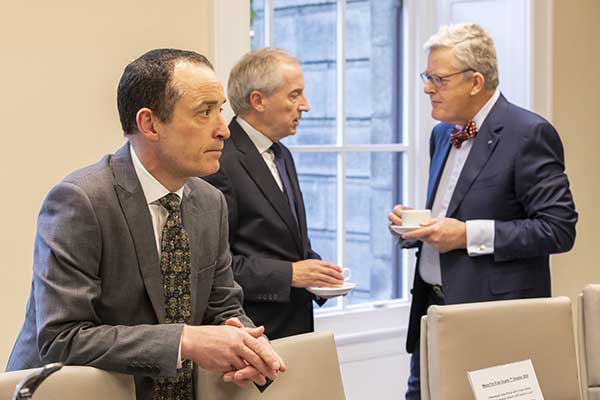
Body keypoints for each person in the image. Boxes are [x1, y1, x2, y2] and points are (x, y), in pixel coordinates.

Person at [7, 48, 285, 399]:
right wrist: (185, 340)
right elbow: (62, 339)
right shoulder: (80, 201)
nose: (222, 130)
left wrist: (249, 344)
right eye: (204, 112)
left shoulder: (210, 202)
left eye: (220, 111)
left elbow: (223, 306)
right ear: (150, 124)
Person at [387, 24, 577, 399]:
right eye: (427, 77)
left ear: (475, 82)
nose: (427, 89)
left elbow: (558, 229)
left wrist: (467, 235)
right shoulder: (442, 134)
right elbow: (455, 208)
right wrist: (416, 228)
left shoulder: (529, 133)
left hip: (494, 320)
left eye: (439, 79)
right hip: (430, 312)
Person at [203, 48, 344, 340]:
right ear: (258, 101)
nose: (305, 106)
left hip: (296, 326)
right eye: (294, 95)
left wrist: (318, 273)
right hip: (252, 333)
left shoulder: (282, 153)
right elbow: (214, 265)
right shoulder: (220, 161)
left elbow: (290, 242)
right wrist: (290, 274)